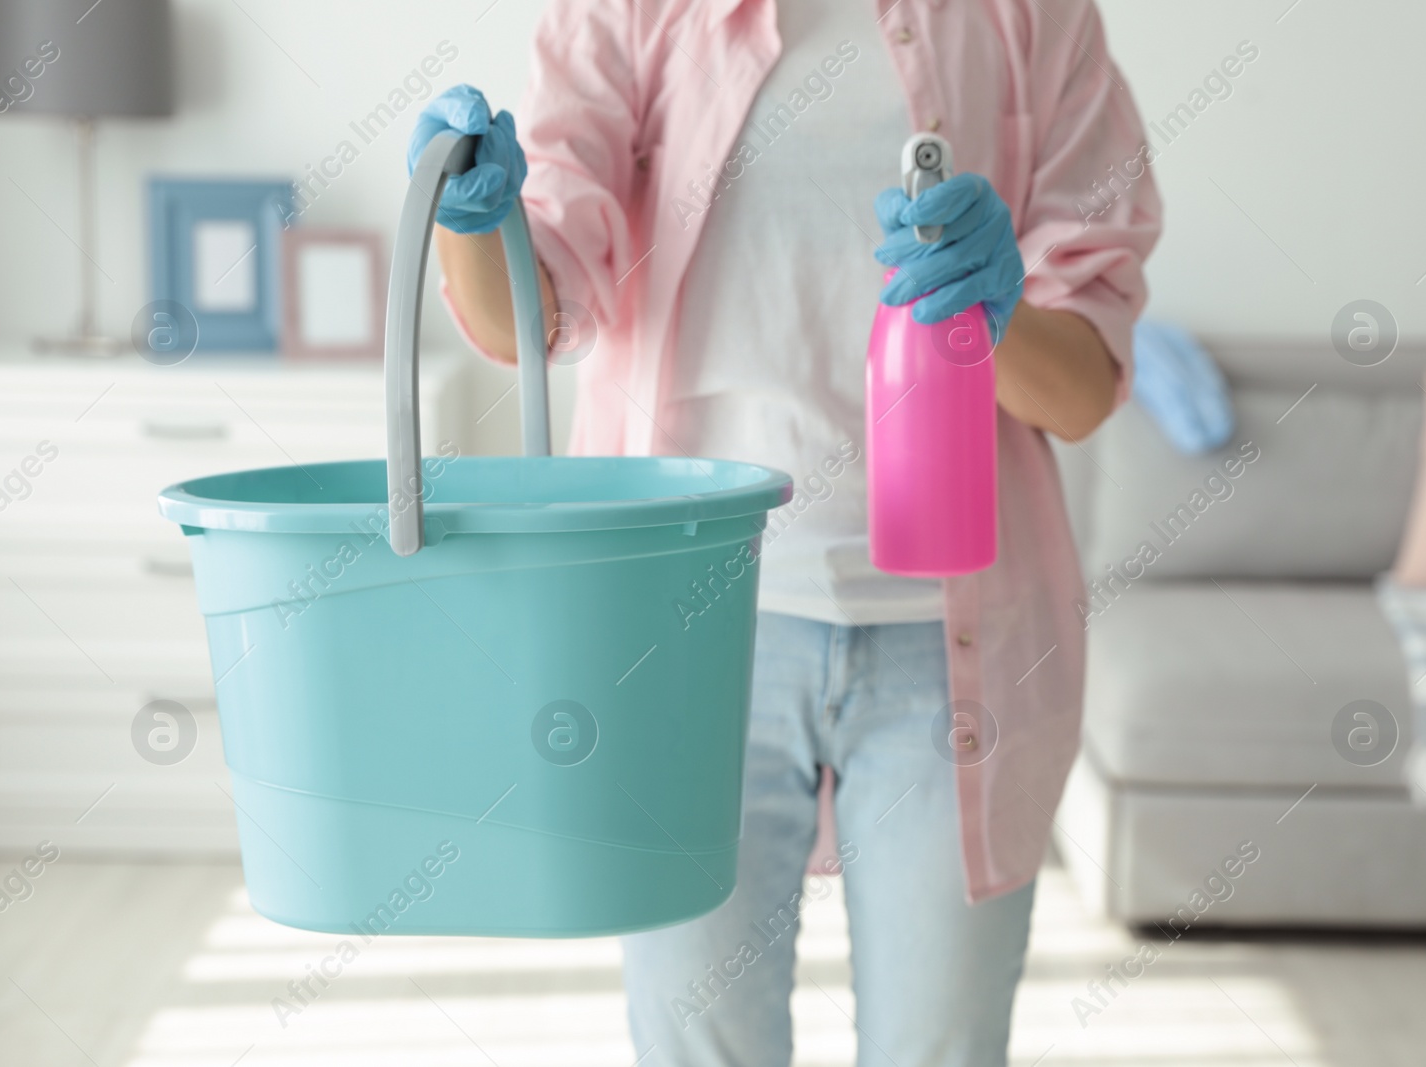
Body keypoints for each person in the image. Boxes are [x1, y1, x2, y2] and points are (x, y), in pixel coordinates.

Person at [411, 1, 1159, 1063]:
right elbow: (531, 308)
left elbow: (1080, 390)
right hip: (687, 637)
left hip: (948, 654)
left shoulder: (1030, 19)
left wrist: (1000, 316)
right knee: (697, 1042)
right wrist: (469, 216)